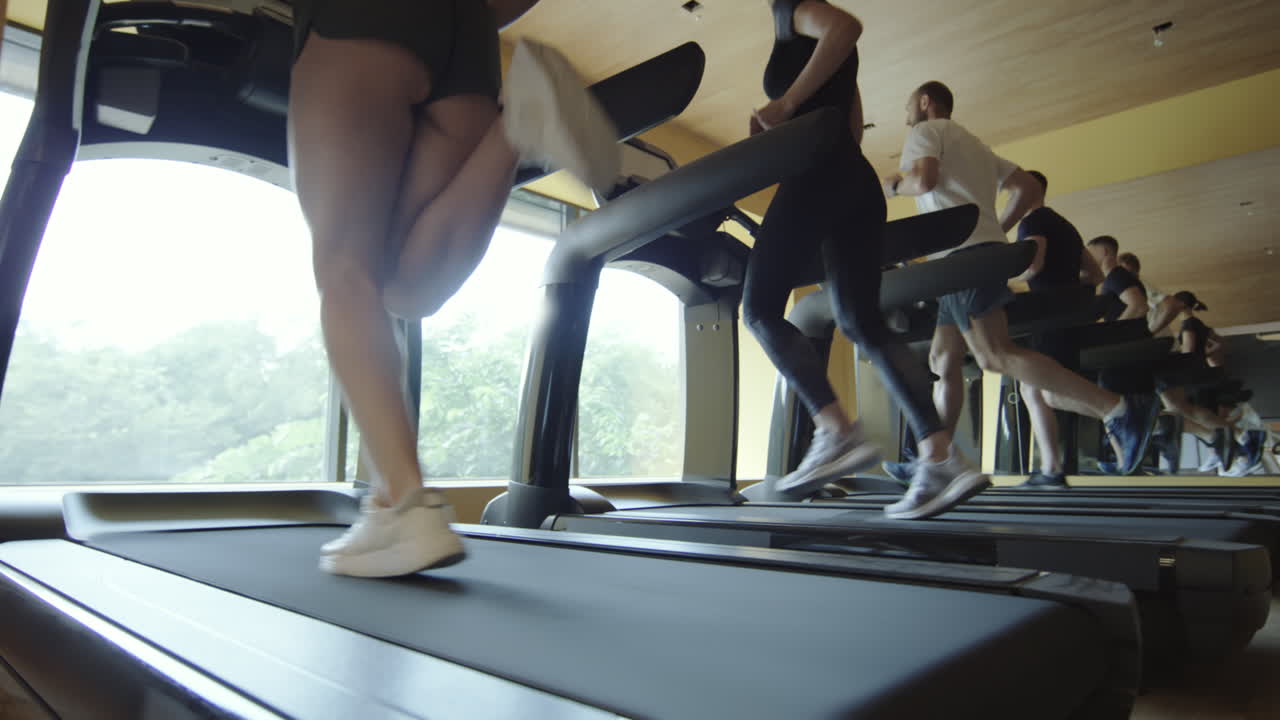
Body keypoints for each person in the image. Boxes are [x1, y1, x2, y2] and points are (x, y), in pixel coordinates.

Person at [289, 0, 621, 577]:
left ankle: (407, 504)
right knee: (406, 289)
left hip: (359, 18)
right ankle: (519, 122)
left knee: (345, 270)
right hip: (466, 28)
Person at [746, 1, 986, 520]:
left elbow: (846, 26)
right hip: (854, 178)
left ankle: (835, 431)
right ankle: (940, 456)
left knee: (760, 309)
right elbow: (851, 125)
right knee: (860, 320)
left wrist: (785, 105)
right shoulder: (804, 35)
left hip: (819, 170)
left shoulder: (793, 7)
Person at [882, 81, 1161, 481]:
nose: (906, 112)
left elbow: (923, 182)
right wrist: (995, 229)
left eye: (909, 104)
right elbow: (1027, 188)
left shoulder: (924, 132)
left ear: (925, 102)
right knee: (942, 357)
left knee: (994, 354)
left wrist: (892, 184)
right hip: (958, 263)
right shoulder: (974, 144)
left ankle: (1116, 410)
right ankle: (936, 457)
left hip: (963, 259)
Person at [1007, 170, 1103, 488]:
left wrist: (1000, 279)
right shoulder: (1067, 226)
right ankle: (1051, 469)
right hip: (1066, 313)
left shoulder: (1032, 223)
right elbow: (1094, 274)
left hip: (1046, 313)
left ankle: (1120, 411)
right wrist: (1067, 288)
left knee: (1043, 390)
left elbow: (1033, 266)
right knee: (1034, 388)